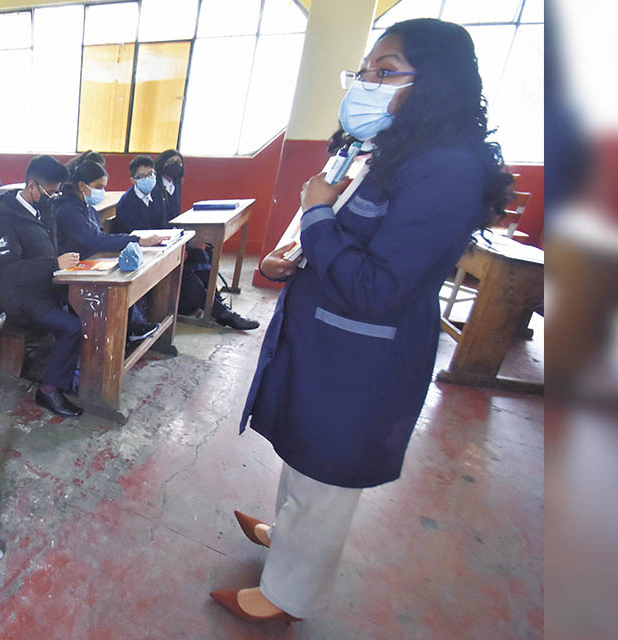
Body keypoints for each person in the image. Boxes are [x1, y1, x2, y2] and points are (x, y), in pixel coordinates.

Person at [216, 19, 515, 624]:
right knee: (308, 457)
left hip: (362, 357)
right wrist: (299, 251)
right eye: (367, 71)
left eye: (387, 70)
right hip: (329, 341)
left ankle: (287, 596)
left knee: (329, 471)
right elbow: (355, 234)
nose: (368, 84)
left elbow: (378, 288)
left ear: (437, 83)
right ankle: (289, 538)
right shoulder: (392, 151)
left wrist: (318, 217)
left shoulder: (446, 169)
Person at [0, 155, 83, 417]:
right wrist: (54, 263)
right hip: (22, 298)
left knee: (87, 307)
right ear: (32, 186)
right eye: (50, 192)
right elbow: (10, 271)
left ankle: (71, 373)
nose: (54, 196)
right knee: (71, 327)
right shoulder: (3, 219)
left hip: (47, 287)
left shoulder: (44, 209)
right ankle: (48, 389)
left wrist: (67, 262)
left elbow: (53, 247)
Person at [146, 148, 259, 330]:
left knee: (202, 253)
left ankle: (214, 304)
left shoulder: (174, 186)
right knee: (187, 272)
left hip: (173, 238)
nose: (176, 167)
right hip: (161, 243)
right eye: (172, 163)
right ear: (161, 165)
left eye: (179, 163)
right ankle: (221, 313)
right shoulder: (156, 189)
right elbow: (156, 224)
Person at [54, 160, 165, 341]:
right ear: (82, 185)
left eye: (104, 187)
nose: (101, 192)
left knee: (126, 270)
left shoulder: (85, 205)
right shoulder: (68, 209)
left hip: (89, 261)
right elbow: (95, 240)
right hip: (72, 272)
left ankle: (131, 326)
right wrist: (137, 240)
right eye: (98, 187)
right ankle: (125, 331)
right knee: (116, 280)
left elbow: (97, 237)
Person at [113, 156, 166, 235]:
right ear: (133, 181)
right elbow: (135, 234)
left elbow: (163, 223)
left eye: (150, 174)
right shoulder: (126, 204)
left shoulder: (157, 193)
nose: (148, 179)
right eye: (142, 176)